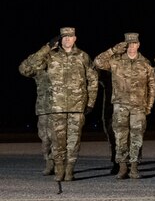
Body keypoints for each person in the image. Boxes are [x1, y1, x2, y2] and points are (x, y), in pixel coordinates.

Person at [19, 27, 99, 181]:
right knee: (57, 140)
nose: (67, 40)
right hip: (57, 106)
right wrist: (47, 47)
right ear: (59, 39)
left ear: (75, 38)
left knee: (74, 140)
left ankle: (70, 169)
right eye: (64, 37)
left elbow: (93, 80)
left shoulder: (83, 56)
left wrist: (90, 102)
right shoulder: (50, 56)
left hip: (77, 107)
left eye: (70, 37)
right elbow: (27, 67)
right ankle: (59, 169)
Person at [93, 32, 155, 180]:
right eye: (129, 44)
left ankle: (134, 167)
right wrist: (113, 50)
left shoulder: (145, 63)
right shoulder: (116, 61)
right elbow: (98, 62)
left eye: (134, 43)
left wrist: (149, 105)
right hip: (120, 105)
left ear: (138, 44)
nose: (132, 46)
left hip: (139, 105)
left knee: (137, 136)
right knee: (120, 136)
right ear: (125, 45)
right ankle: (122, 166)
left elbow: (152, 86)